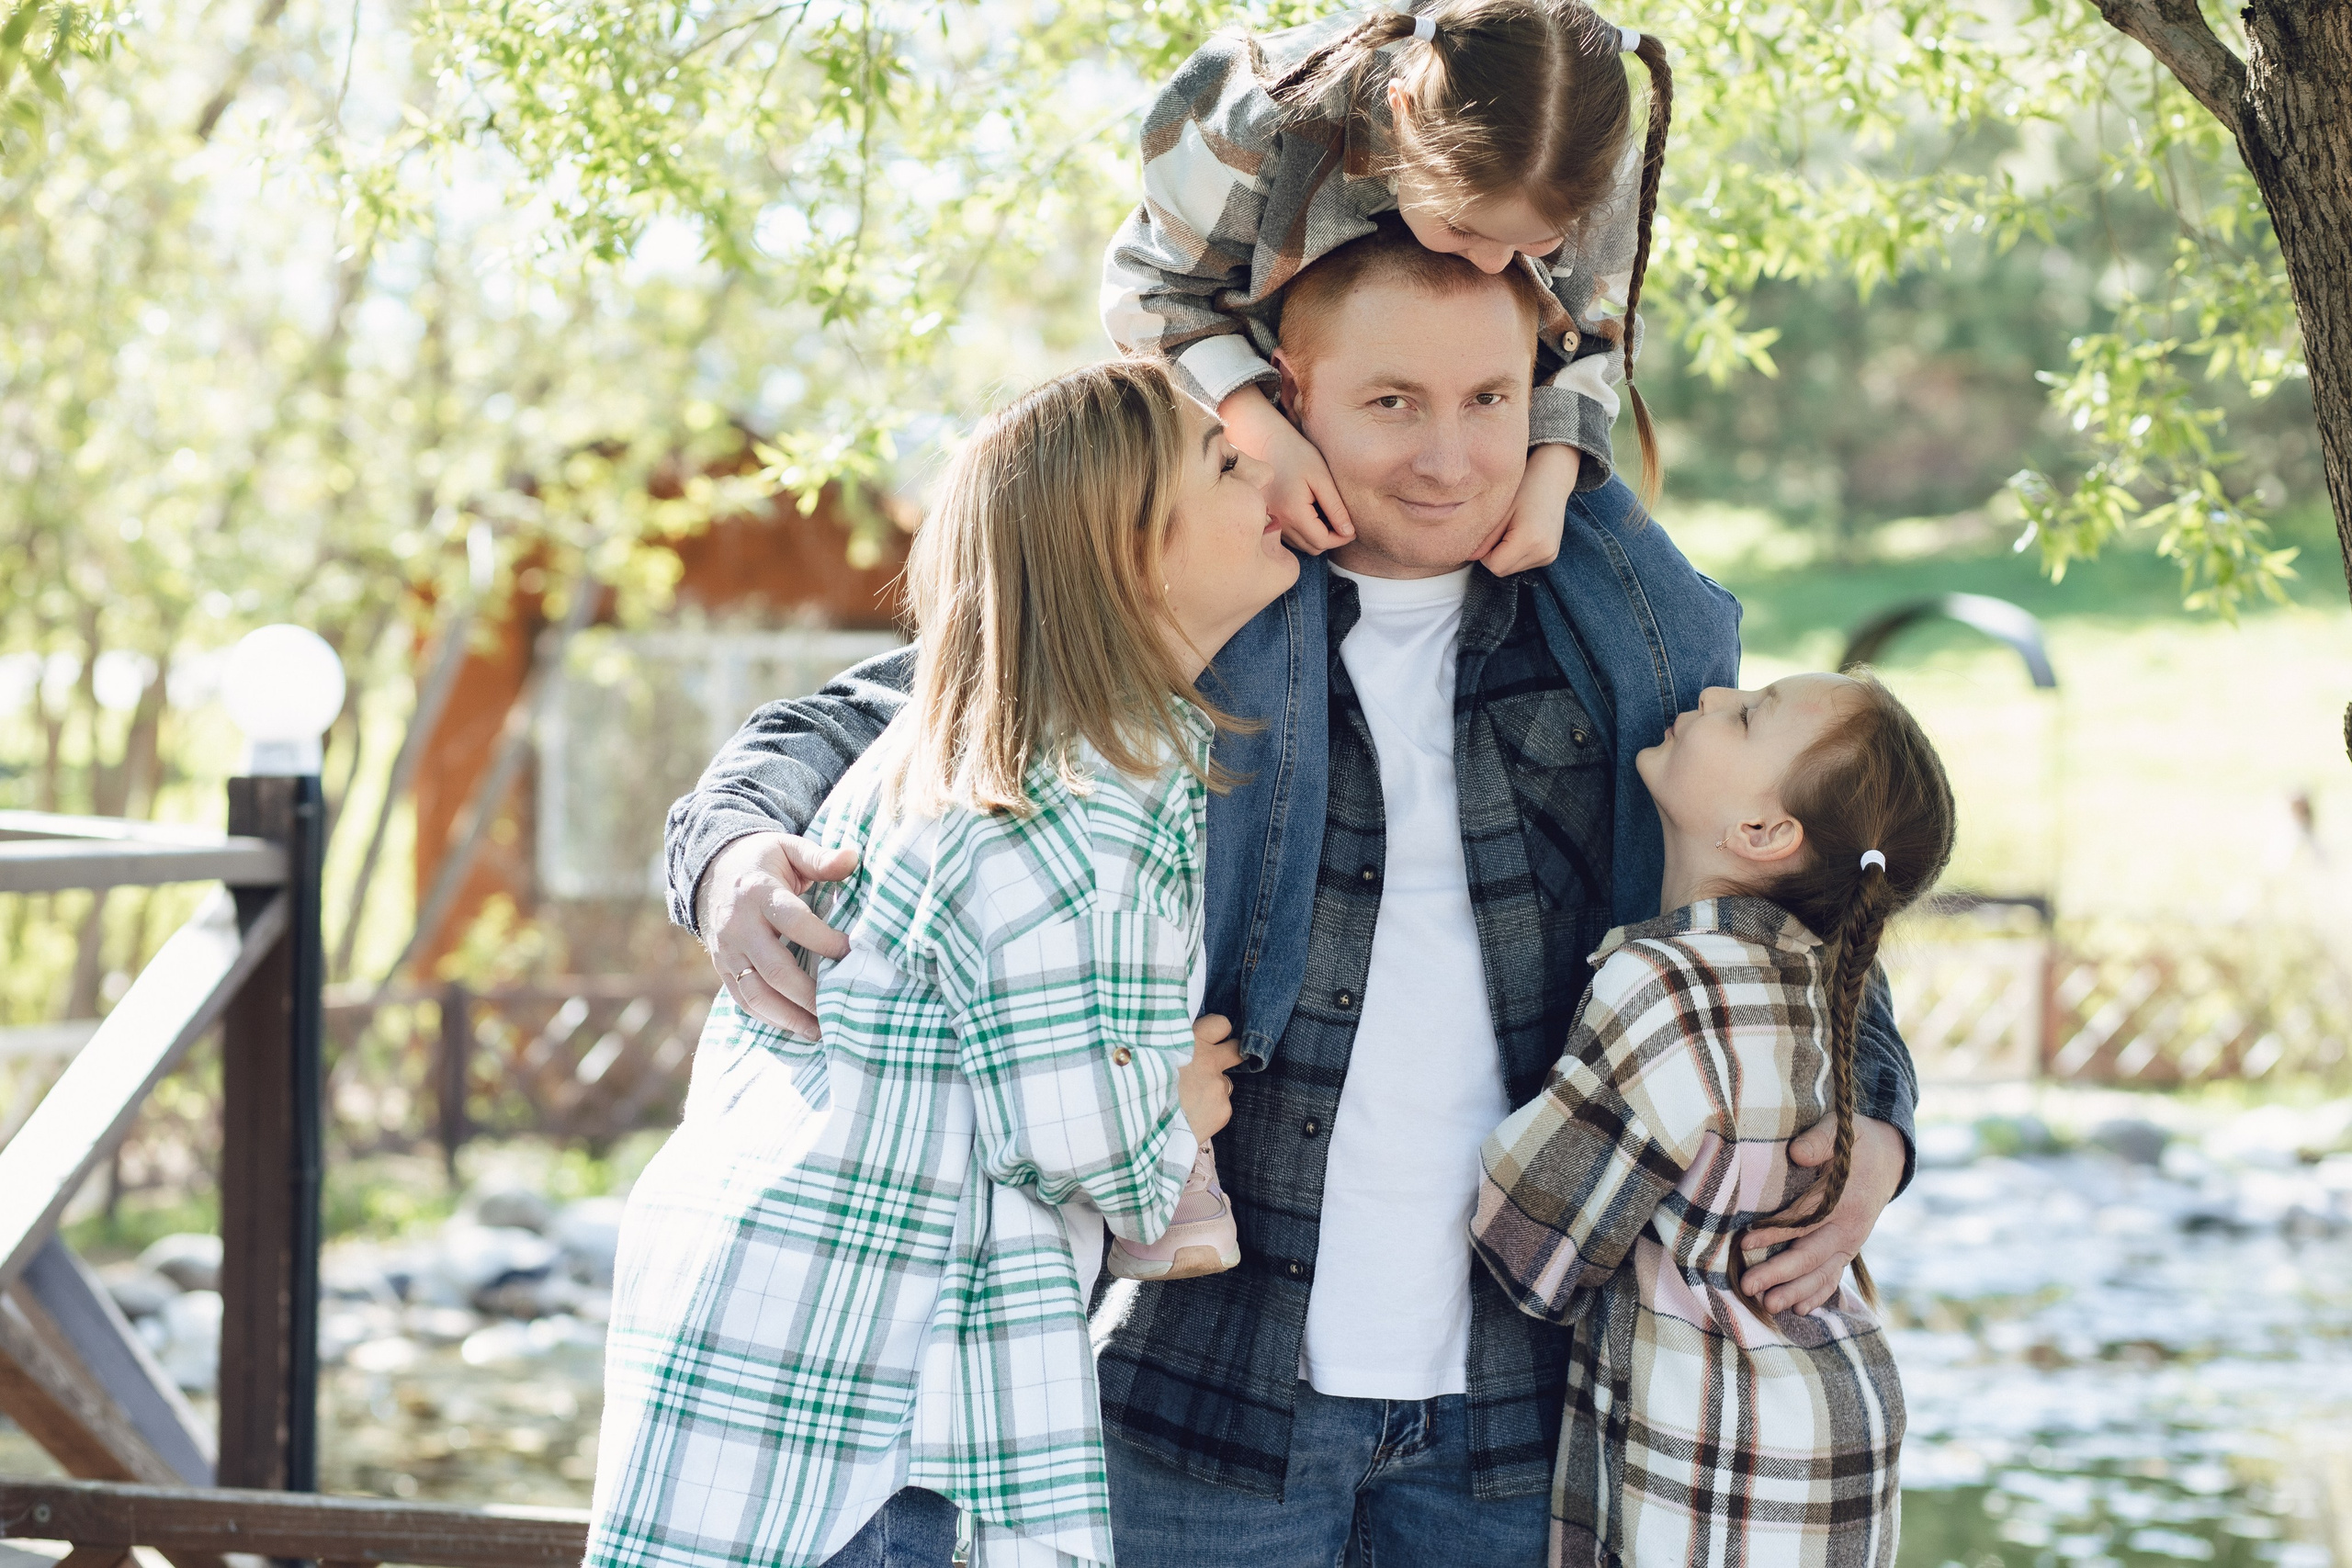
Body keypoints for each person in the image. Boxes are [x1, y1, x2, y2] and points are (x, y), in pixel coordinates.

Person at [667, 220, 1921, 1564]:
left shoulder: (1624, 677)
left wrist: (1878, 1129)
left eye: (1491, 401)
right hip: (1194, 1394)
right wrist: (732, 849)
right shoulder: (1193, 599)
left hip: (1521, 1416)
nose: (1450, 457)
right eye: (1391, 403)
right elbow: (883, 717)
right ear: (1286, 404)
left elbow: (1790, 918)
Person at [584, 360, 1299, 1568]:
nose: (1266, 468)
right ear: (1129, 549)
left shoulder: (970, 740)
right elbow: (1068, 1125)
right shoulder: (1099, 782)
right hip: (867, 1388)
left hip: (771, 1332)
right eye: (1226, 463)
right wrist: (1169, 1111)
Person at [1473, 671, 1955, 1568]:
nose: (1714, 690)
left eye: (1745, 715)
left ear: (1764, 833)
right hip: (1834, 1430)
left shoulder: (1660, 987)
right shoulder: (1825, 982)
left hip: (1712, 1462)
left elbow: (1530, 1252)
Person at [1102, 0, 1672, 574]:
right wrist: (1259, 433)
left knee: (1678, 614)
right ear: (1400, 115)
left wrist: (1553, 468)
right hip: (1270, 425)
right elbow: (1155, 293)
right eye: (1463, 228)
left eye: (1539, 241)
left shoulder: (1587, 156)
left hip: (1507, 442)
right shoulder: (1257, 119)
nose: (1497, 265)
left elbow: (1597, 329)